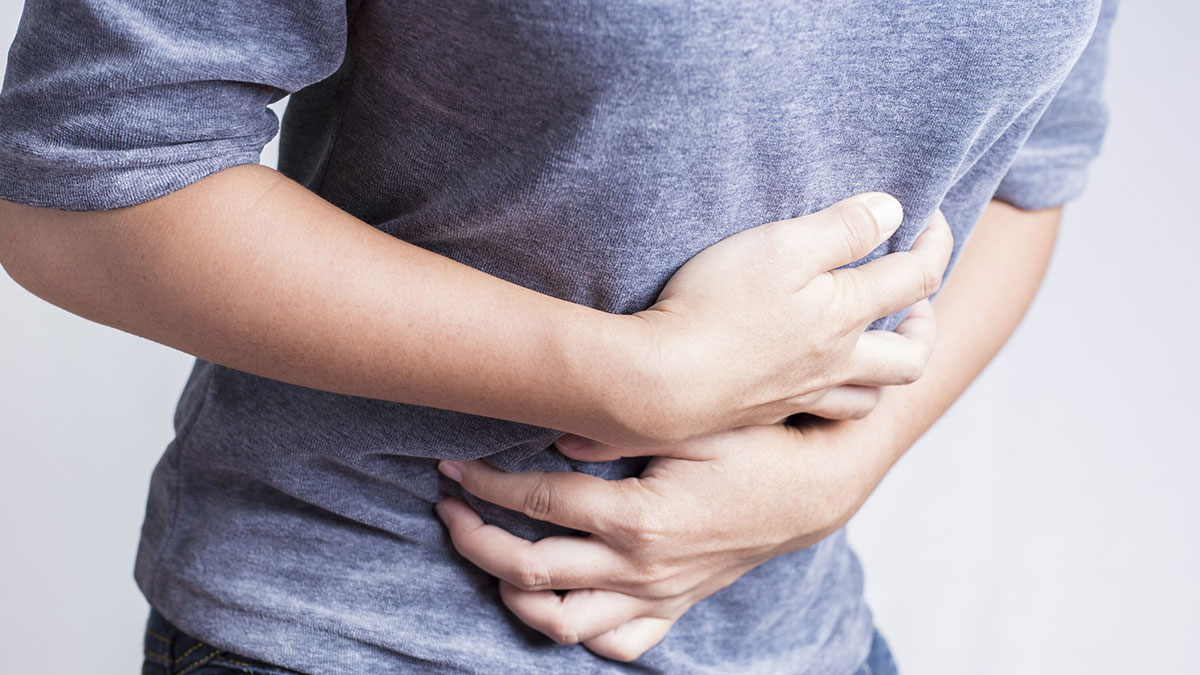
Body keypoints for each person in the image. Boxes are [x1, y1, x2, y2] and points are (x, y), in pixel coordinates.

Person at [0, 0, 1116, 673]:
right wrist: (629, 377)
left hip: (801, 635)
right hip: (362, 625)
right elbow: (79, 182)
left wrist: (843, 469)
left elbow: (1035, 171)